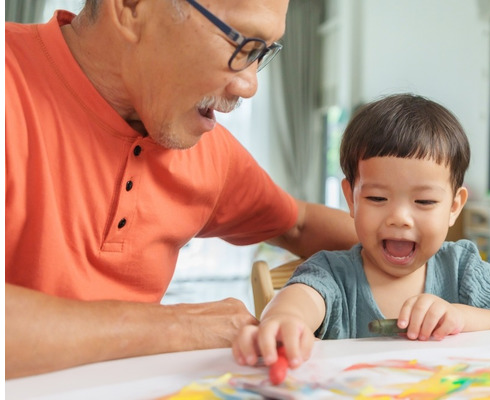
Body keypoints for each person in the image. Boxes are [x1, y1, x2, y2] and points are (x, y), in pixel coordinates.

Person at [5, 0, 358, 379]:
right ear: (130, 7)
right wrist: (178, 326)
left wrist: (427, 258)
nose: (250, 85)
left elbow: (298, 225)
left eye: (263, 53)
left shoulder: (206, 151)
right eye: (241, 44)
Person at [232, 93, 490, 370]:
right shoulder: (333, 274)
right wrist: (284, 319)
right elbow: (300, 300)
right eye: (377, 199)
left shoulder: (461, 267)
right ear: (351, 199)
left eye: (424, 201)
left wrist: (459, 316)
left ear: (454, 207)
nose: (399, 218)